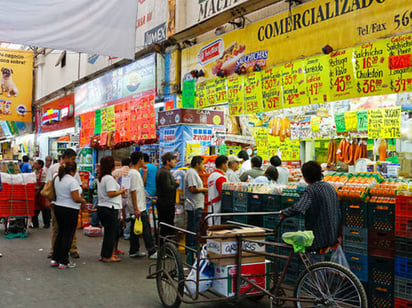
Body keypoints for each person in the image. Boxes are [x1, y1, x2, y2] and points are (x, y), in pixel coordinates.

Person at [281, 161, 341, 262]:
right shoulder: (330, 187)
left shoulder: (311, 190)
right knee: (321, 264)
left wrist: (284, 213)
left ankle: (317, 277)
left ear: (305, 178)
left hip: (319, 236)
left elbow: (299, 207)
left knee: (315, 263)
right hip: (333, 233)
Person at [50, 162, 86, 269]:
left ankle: (55, 258)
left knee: (60, 233)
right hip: (70, 209)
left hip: (58, 207)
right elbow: (75, 198)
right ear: (73, 171)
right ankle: (64, 261)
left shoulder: (58, 179)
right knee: (68, 235)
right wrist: (83, 200)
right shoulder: (72, 181)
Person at [46, 149, 81, 259]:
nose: (74, 161)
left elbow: (79, 186)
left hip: (68, 205)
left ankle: (72, 249)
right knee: (59, 229)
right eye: (72, 159)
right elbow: (48, 186)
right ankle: (55, 251)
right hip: (59, 204)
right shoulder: (54, 168)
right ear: (65, 157)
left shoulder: (74, 171)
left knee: (69, 230)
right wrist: (48, 201)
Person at [128, 151, 157, 259]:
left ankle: (134, 250)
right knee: (146, 229)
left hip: (138, 205)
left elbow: (142, 185)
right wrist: (136, 208)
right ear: (140, 159)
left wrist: (144, 173)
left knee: (135, 229)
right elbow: (133, 191)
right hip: (138, 206)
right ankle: (151, 251)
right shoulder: (134, 174)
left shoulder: (135, 172)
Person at [97, 156, 125, 263]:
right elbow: (111, 193)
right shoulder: (108, 178)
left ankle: (105, 254)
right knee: (110, 233)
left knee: (109, 233)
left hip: (103, 207)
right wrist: (121, 191)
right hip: (110, 207)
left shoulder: (101, 177)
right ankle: (107, 256)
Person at [184, 156, 208, 247]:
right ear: (197, 164)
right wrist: (204, 190)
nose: (203, 166)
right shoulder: (191, 173)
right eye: (202, 164)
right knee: (192, 228)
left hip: (196, 204)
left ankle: (191, 246)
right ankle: (191, 247)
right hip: (193, 205)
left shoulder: (194, 173)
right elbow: (192, 188)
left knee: (194, 227)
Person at [156, 152, 179, 242]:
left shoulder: (163, 171)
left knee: (165, 227)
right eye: (173, 160)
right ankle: (165, 248)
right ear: (168, 161)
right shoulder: (164, 172)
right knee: (167, 227)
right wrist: (176, 184)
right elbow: (167, 188)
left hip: (165, 203)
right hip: (166, 204)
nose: (175, 162)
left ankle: (165, 247)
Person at [112, 158, 131, 239]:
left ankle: (119, 231)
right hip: (129, 196)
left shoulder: (115, 172)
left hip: (118, 196)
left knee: (119, 216)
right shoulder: (132, 172)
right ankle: (127, 234)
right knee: (128, 215)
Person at [207, 155, 228, 226]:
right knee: (217, 227)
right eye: (227, 164)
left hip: (211, 205)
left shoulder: (211, 176)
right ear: (223, 164)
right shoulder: (221, 177)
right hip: (218, 206)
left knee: (211, 225)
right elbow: (223, 193)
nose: (227, 167)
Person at [31, 159, 50, 228]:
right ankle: (35, 224)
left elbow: (42, 184)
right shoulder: (34, 172)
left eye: (36, 164)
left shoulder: (43, 172)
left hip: (41, 193)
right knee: (34, 209)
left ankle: (47, 224)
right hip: (35, 192)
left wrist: (37, 192)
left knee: (44, 209)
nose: (34, 165)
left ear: (40, 165)